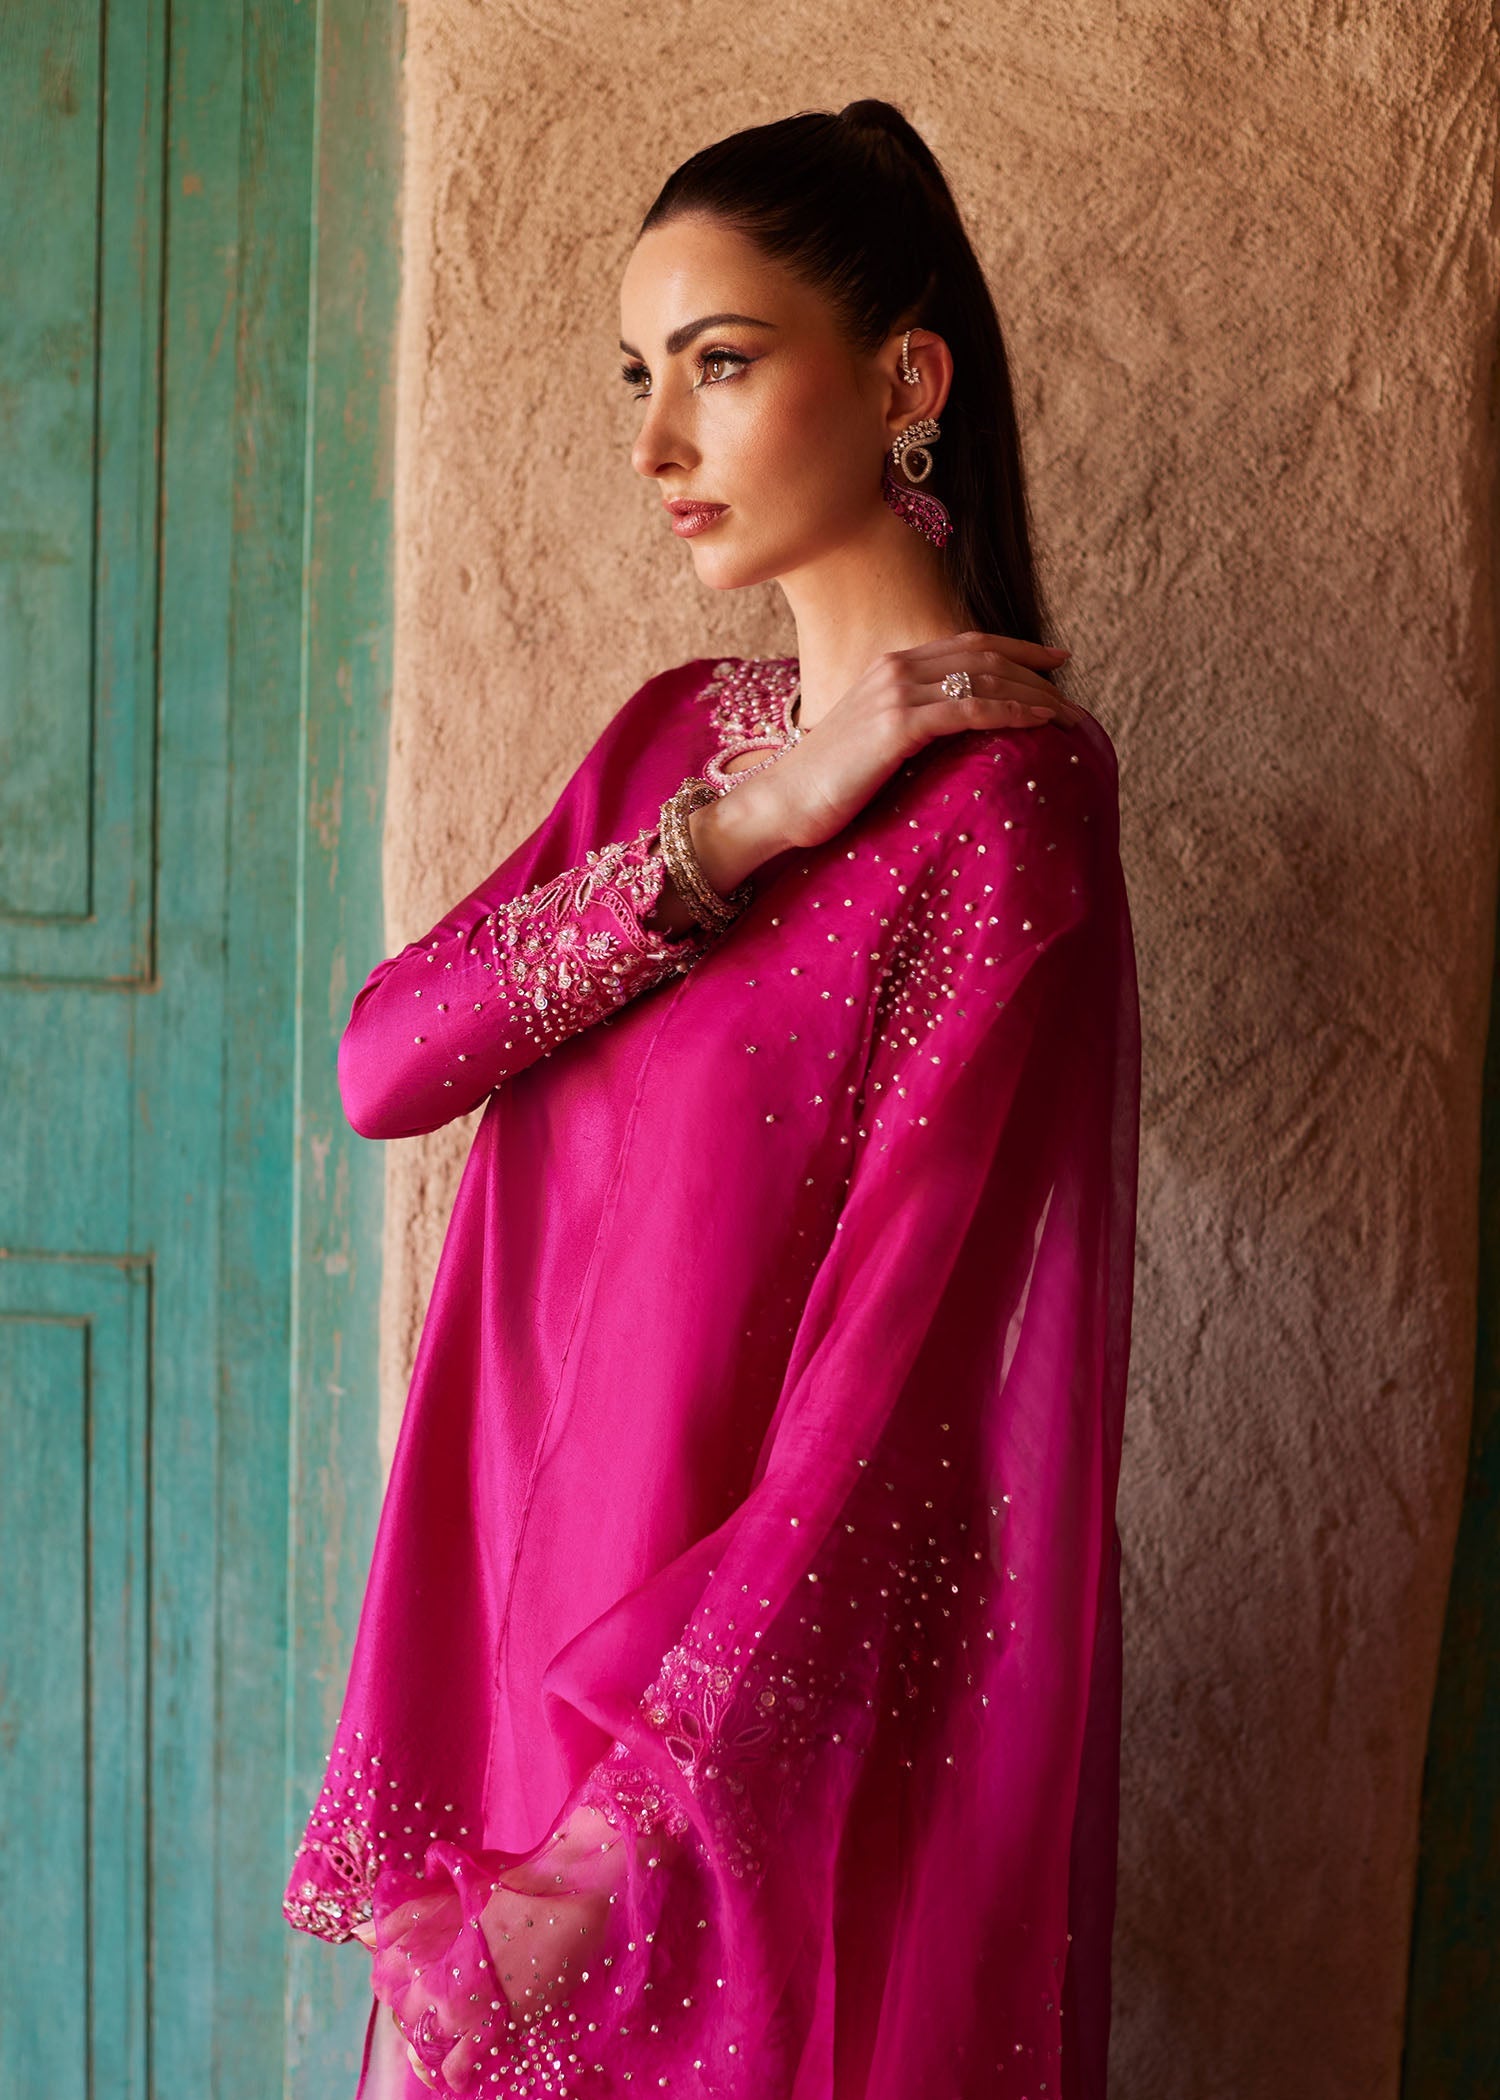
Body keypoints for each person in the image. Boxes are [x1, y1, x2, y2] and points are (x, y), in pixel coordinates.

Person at [283, 97, 1141, 2100]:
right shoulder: (682, 747)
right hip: (520, 1660)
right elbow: (387, 1063)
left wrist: (627, 1837)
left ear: (906, 382)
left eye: (721, 365)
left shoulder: (1010, 812)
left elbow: (893, 1384)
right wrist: (740, 827)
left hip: (722, 1754)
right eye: (637, 376)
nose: (657, 442)